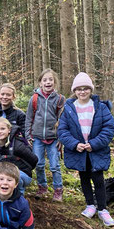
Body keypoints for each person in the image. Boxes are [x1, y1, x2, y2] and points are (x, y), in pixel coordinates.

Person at [58, 72, 114, 226]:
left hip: (96, 151)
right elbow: (62, 131)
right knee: (84, 178)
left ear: (91, 90)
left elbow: (109, 128)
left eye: (85, 88)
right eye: (79, 89)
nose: (82, 92)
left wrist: (95, 144)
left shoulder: (101, 107)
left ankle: (102, 209)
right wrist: (74, 144)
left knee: (98, 178)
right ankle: (90, 204)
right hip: (79, 151)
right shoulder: (69, 109)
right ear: (74, 91)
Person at [25, 69, 65, 201]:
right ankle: (42, 187)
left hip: (53, 139)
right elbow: (29, 118)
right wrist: (28, 135)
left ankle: (58, 190)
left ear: (55, 82)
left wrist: (61, 138)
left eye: (50, 80)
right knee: (39, 164)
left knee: (55, 166)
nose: (48, 82)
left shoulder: (60, 99)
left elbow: (63, 121)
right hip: (37, 138)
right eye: (45, 80)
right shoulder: (34, 99)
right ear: (40, 83)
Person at [0, 118, 38, 195]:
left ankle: (19, 196)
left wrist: (18, 168)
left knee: (13, 177)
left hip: (22, 173)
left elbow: (34, 160)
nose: (0, 132)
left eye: (3, 129)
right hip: (3, 171)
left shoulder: (18, 145)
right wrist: (1, 170)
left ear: (9, 130)